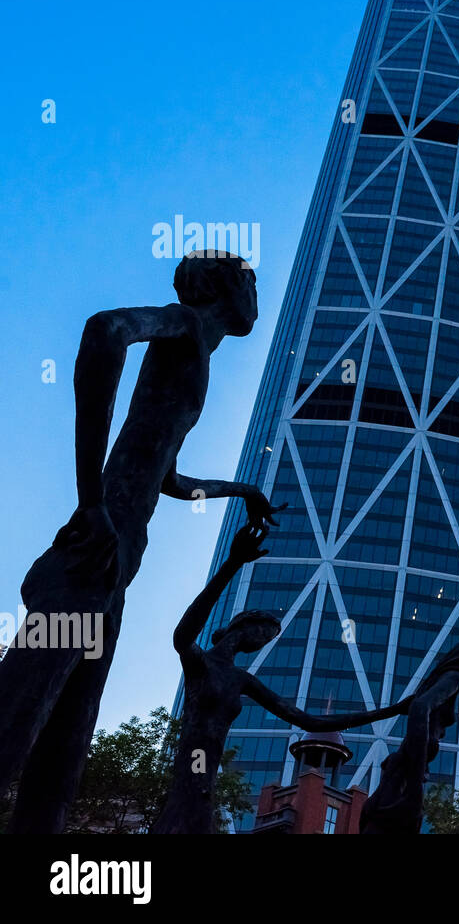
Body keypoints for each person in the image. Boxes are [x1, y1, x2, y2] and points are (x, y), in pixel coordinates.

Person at [0, 251, 285, 833]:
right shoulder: (181, 323)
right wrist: (90, 502)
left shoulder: (197, 352)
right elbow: (104, 329)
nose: (256, 290)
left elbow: (170, 476)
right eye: (250, 279)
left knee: (62, 760)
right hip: (90, 558)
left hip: (116, 569)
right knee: (15, 717)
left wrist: (243, 490)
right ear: (222, 286)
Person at [154, 522, 415, 834]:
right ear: (244, 626)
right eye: (264, 634)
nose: (263, 641)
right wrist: (232, 564)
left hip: (207, 776)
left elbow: (310, 722)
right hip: (190, 767)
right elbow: (182, 634)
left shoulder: (241, 679)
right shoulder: (200, 662)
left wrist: (393, 710)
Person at [359, 635, 459, 835]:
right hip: (401, 788)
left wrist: (314, 722)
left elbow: (382, 713)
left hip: (394, 782)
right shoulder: (454, 678)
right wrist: (414, 792)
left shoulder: (433, 683)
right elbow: (419, 707)